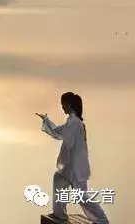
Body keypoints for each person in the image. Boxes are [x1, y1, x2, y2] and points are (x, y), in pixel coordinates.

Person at [36, 92, 110, 224]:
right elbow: (61, 133)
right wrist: (46, 120)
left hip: (75, 167)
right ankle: (60, 213)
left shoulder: (74, 122)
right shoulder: (73, 121)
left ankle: (102, 220)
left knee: (81, 196)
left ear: (68, 104)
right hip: (70, 166)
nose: (62, 107)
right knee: (58, 179)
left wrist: (46, 121)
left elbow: (59, 133)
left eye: (62, 104)